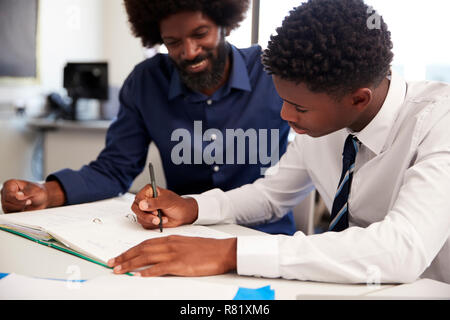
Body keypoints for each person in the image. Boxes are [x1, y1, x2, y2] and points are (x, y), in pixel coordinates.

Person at [106, 0, 450, 284]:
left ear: (358, 99)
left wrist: (229, 252)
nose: (285, 116)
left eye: (299, 107)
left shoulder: (439, 121)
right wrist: (193, 208)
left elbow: (402, 249)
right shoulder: (319, 125)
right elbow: (272, 195)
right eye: (283, 100)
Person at [1, 0, 296, 235]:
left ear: (225, 24)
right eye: (173, 41)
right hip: (182, 235)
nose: (189, 52)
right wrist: (46, 192)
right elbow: (114, 169)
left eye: (200, 34)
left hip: (265, 237)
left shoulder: (273, 74)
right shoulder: (146, 83)